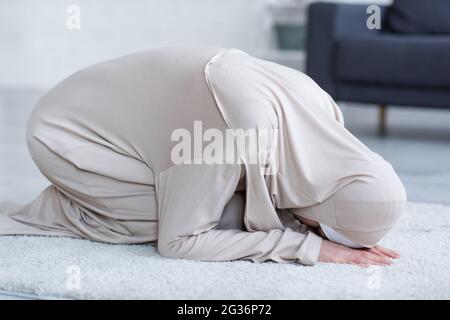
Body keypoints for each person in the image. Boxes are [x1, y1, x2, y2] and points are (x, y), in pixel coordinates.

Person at [0, 47, 406, 266]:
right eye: (319, 228)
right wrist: (312, 249)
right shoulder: (238, 132)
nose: (311, 228)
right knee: (185, 219)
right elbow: (178, 244)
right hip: (68, 131)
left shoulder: (325, 110)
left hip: (145, 119)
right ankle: (79, 206)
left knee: (223, 203)